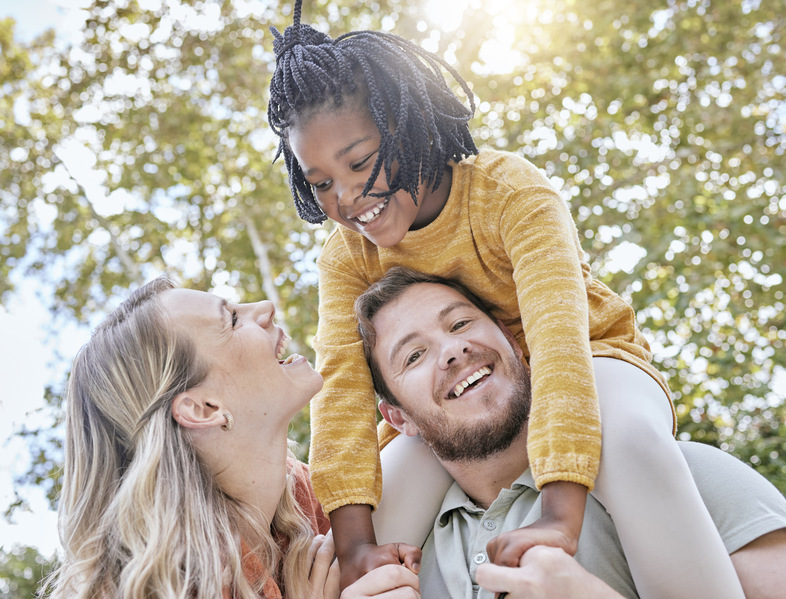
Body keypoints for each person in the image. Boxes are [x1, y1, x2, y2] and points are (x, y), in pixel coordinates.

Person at [266, 2, 743, 597]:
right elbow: (341, 388)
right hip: (464, 398)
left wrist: (559, 513)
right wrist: (359, 545)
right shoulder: (346, 255)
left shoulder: (511, 191)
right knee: (351, 539)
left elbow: (559, 343)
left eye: (360, 162)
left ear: (405, 126)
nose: (346, 197)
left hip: (589, 357)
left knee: (627, 444)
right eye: (320, 184)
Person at [355, 266, 786, 599]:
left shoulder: (687, 476)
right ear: (397, 418)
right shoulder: (399, 561)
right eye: (414, 355)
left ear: (513, 341)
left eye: (460, 324)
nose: (453, 350)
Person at [42, 276, 420, 599]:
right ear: (204, 408)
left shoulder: (305, 499)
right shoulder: (176, 582)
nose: (266, 307)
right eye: (233, 320)